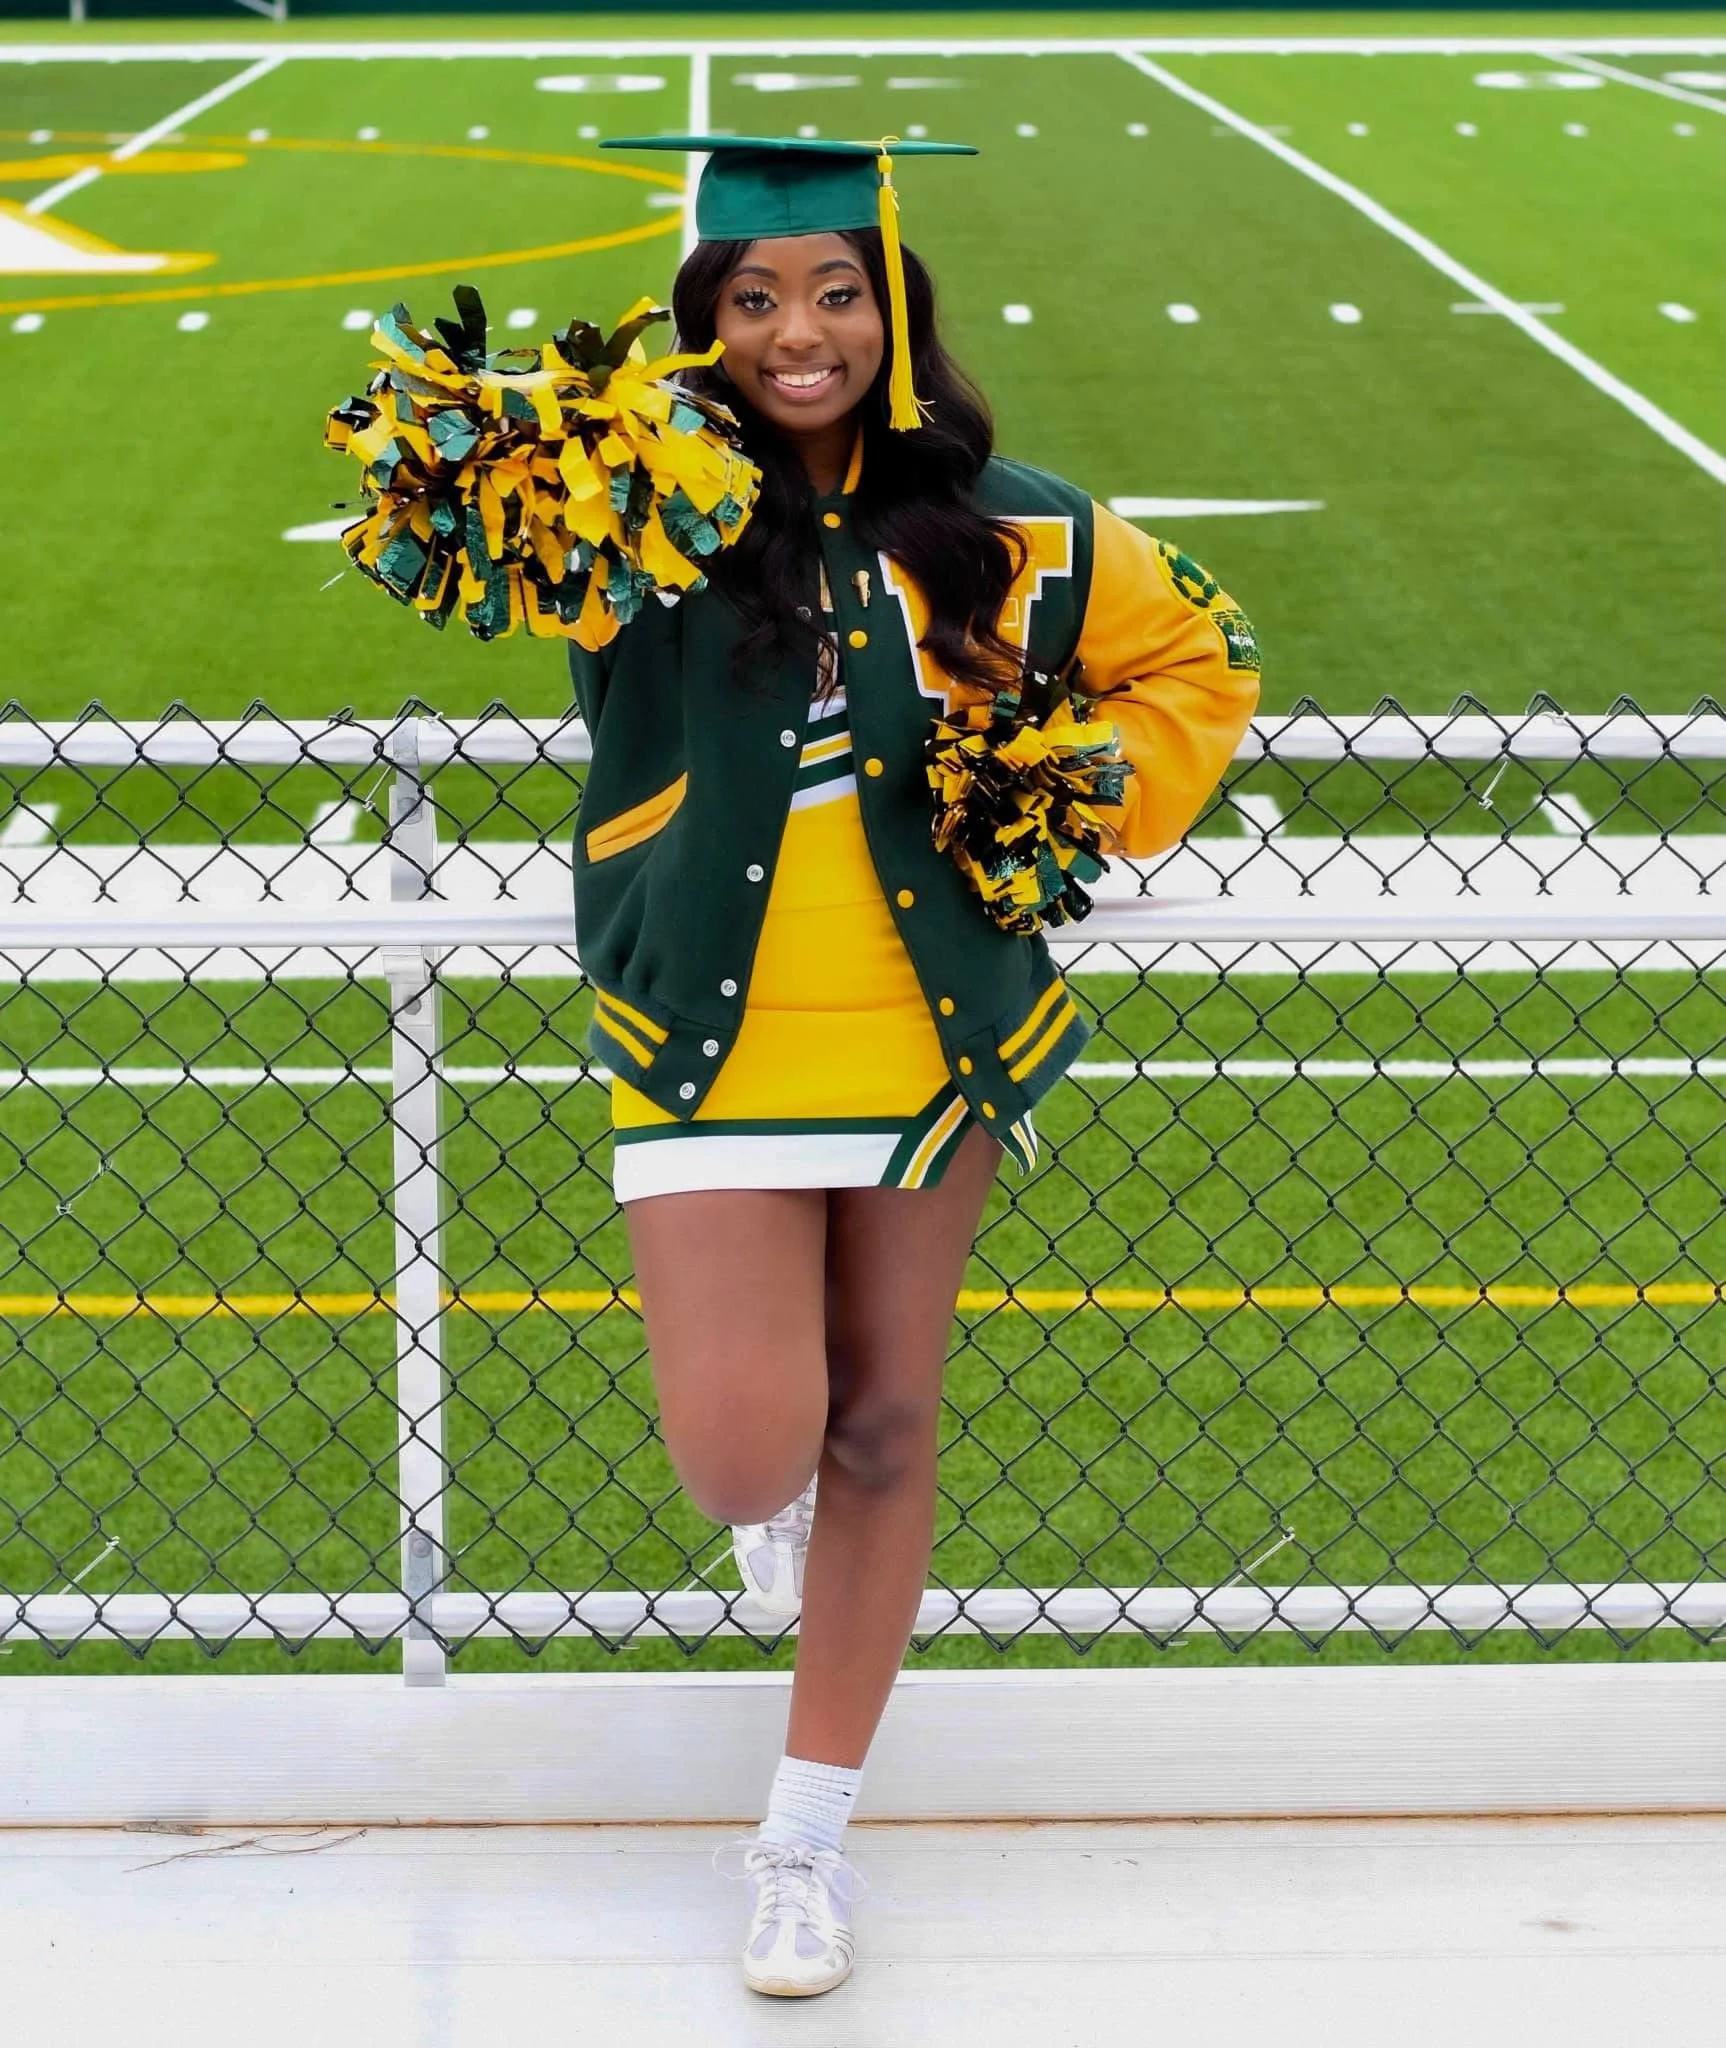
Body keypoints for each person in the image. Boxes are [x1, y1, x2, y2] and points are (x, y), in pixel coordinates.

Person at [568, 133, 1261, 1998]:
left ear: (895, 310)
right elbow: (489, 547)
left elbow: (1200, 655)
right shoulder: (636, 510)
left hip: (926, 1034)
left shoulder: (1011, 525)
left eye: (837, 293)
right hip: (706, 1033)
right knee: (742, 1456)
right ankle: (776, 1507)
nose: (799, 334)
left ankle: (801, 1845)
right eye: (753, 300)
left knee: (882, 1424)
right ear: (703, 323)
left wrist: (1067, 795)